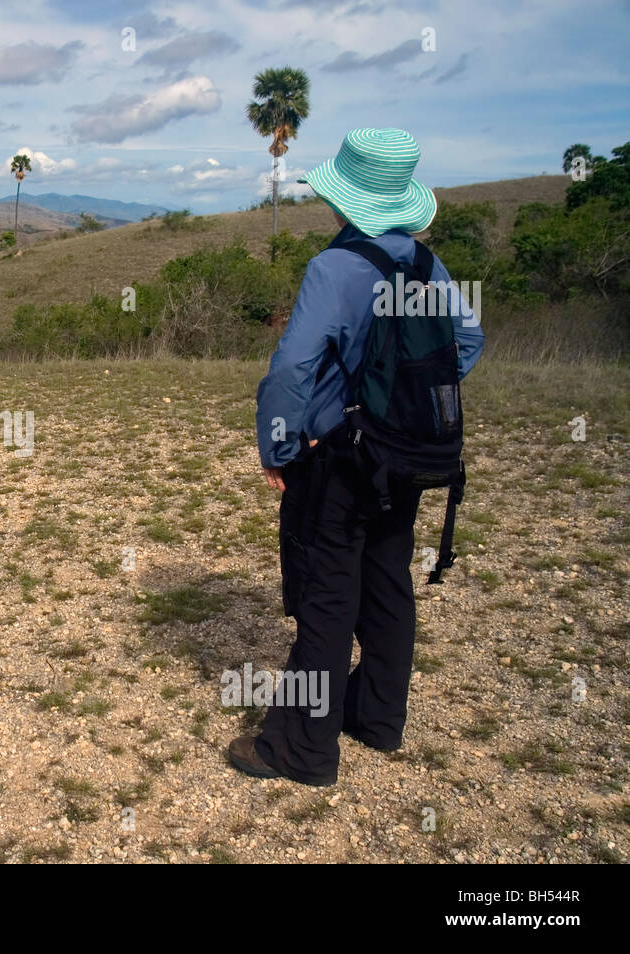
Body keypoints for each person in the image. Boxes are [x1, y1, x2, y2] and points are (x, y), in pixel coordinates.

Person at [231, 128, 484, 786]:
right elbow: (467, 342)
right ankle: (376, 718)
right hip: (404, 457)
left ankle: (299, 751)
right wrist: (406, 409)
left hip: (339, 458)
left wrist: (282, 443)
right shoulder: (427, 266)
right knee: (388, 578)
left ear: (345, 198)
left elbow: (290, 370)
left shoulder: (335, 268)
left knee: (327, 598)